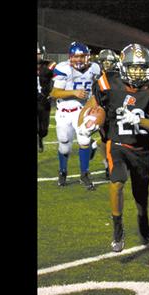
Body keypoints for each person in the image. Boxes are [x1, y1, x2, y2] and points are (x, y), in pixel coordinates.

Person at [80, 43, 149, 252]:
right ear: (123, 66)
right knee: (117, 182)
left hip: (142, 148)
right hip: (116, 142)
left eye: (142, 67)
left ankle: (142, 218)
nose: (138, 72)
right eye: (134, 67)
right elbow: (92, 106)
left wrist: (139, 121)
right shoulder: (107, 82)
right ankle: (118, 229)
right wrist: (85, 124)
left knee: (140, 194)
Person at [49, 42, 102, 189]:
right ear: (70, 57)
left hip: (83, 110)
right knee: (64, 145)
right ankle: (63, 170)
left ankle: (84, 174)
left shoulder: (94, 68)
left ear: (87, 56)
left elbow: (98, 86)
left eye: (82, 56)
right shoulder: (63, 68)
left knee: (83, 139)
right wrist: (74, 92)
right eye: (76, 57)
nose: (79, 60)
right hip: (64, 112)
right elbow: (54, 93)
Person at [93, 49, 120, 179]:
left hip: (119, 112)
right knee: (106, 140)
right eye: (104, 62)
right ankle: (107, 165)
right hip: (105, 113)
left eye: (109, 62)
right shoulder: (97, 80)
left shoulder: (120, 77)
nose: (107, 64)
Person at [37, 43, 56, 153]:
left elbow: (54, 67)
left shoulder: (48, 65)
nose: (37, 56)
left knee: (44, 129)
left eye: (38, 54)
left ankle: (40, 138)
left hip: (44, 100)